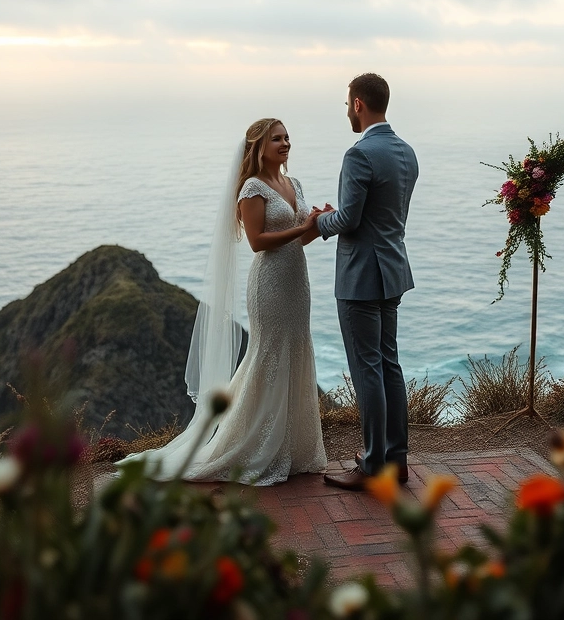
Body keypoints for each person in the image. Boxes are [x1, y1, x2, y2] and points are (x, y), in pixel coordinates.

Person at [119, 118, 328, 485]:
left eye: (287, 137)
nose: (284, 143)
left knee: (296, 348)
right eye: (276, 139)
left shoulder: (294, 183)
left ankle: (292, 448)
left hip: (298, 281)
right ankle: (252, 445)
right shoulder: (252, 187)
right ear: (258, 147)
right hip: (270, 283)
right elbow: (258, 242)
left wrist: (315, 224)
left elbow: (299, 241)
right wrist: (304, 227)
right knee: (269, 354)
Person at [316, 73, 419, 490]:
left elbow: (350, 219)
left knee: (367, 370)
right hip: (393, 270)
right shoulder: (406, 152)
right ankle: (397, 459)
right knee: (389, 364)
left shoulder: (358, 155)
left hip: (360, 276)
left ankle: (374, 464)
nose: (347, 111)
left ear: (358, 103)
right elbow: (385, 216)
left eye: (347, 104)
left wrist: (319, 220)